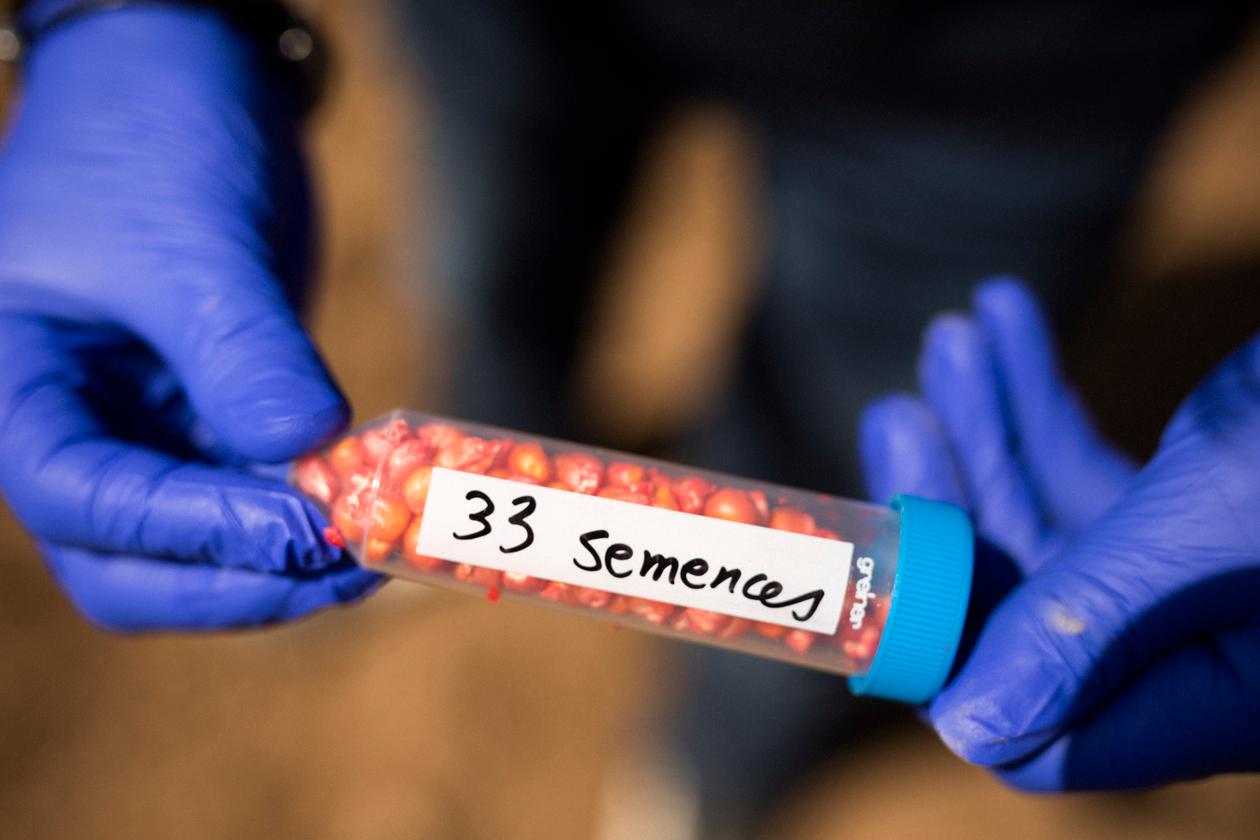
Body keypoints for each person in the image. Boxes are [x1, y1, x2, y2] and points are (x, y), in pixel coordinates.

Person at [0, 0, 1255, 830]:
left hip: (1009, 69)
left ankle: (711, 774)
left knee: (841, 429)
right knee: (496, 266)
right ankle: (488, 453)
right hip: (514, 19)